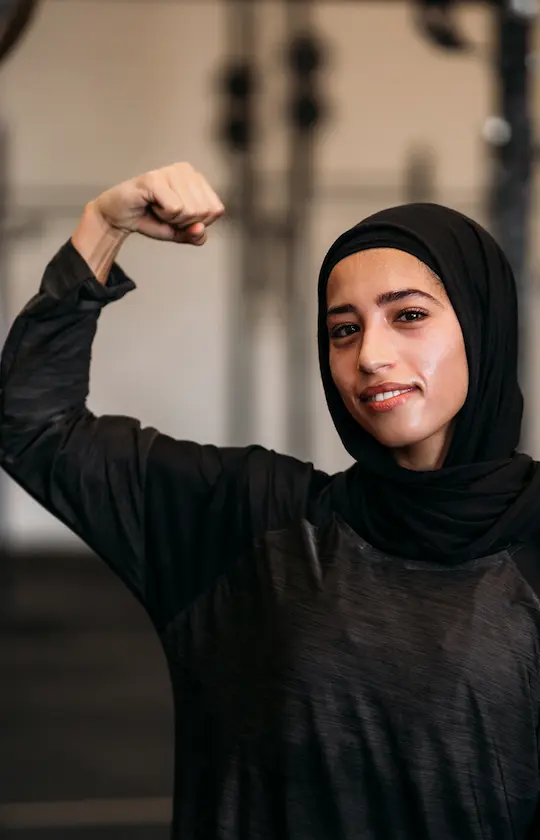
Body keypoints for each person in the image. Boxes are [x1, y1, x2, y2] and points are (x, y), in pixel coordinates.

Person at [1, 161, 539, 840]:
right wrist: (102, 228)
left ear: (483, 328)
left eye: (407, 316)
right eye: (343, 330)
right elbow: (33, 425)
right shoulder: (252, 522)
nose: (370, 355)